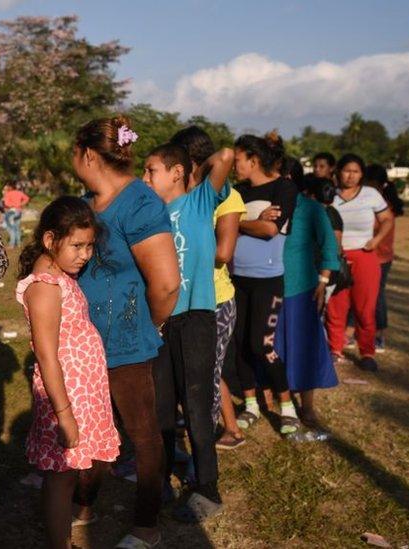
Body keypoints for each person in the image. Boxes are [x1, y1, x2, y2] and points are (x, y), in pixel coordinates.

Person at [70, 116, 181, 548]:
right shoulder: (87, 202)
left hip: (127, 345)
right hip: (84, 344)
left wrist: (145, 327)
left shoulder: (140, 203)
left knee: (141, 433)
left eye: (74, 155)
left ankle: (146, 526)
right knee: (90, 430)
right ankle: (83, 504)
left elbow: (167, 283)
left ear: (89, 155)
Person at [16, 196, 120, 549]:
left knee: (72, 471)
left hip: (82, 393)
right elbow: (46, 356)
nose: (85, 254)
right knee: (61, 477)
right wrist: (64, 415)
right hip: (67, 397)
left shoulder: (61, 276)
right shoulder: (45, 287)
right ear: (50, 240)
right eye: (77, 245)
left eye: (90, 246)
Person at [143, 140, 233, 522]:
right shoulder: (150, 215)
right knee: (161, 408)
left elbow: (226, 155)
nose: (144, 177)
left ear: (177, 173)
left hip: (196, 317)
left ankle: (207, 488)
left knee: (196, 405)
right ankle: (160, 481)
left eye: (151, 170)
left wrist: (194, 173)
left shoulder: (199, 201)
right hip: (159, 321)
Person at [227, 132, 301, 435]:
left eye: (238, 159)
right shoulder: (236, 191)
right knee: (240, 344)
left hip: (268, 280)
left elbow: (270, 229)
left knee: (262, 345)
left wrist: (239, 222)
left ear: (253, 160)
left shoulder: (284, 188)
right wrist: (250, 221)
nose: (234, 165)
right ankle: (251, 404)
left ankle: (286, 406)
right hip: (236, 279)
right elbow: (222, 225)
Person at [272, 158, 339, 428]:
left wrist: (323, 282)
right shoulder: (265, 209)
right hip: (269, 287)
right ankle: (279, 400)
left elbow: (329, 248)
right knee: (273, 347)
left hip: (301, 288)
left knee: (304, 346)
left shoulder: (311, 209)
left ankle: (307, 405)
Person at [325, 154, 394, 372]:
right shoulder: (330, 196)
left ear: (361, 174)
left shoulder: (370, 194)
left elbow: (387, 219)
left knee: (365, 308)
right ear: (338, 172)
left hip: (365, 257)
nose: (351, 175)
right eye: (347, 170)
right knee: (336, 306)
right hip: (338, 257)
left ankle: (367, 352)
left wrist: (376, 240)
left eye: (355, 171)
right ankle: (334, 349)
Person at [365, 164, 403, 350]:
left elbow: (373, 227)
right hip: (368, 256)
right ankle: (353, 331)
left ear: (380, 186)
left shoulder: (383, 206)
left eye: (370, 185)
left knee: (377, 295)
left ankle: (379, 334)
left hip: (380, 258)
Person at [2, 182, 30, 247]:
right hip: (19, 211)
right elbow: (27, 198)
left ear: (10, 187)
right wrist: (20, 204)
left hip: (11, 211)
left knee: (11, 228)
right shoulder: (19, 193)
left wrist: (12, 205)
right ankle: (19, 243)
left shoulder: (8, 194)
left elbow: (6, 204)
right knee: (17, 227)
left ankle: (12, 244)